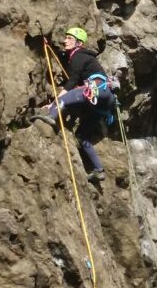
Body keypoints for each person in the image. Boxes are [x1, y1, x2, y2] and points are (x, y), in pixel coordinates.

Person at [37, 27, 116, 183]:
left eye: (69, 38)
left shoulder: (79, 56)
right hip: (103, 102)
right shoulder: (83, 58)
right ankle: (98, 170)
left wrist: (53, 104)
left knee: (64, 98)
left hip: (97, 90)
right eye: (65, 38)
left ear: (78, 43)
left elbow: (71, 83)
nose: (65, 40)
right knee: (82, 136)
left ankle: (51, 116)